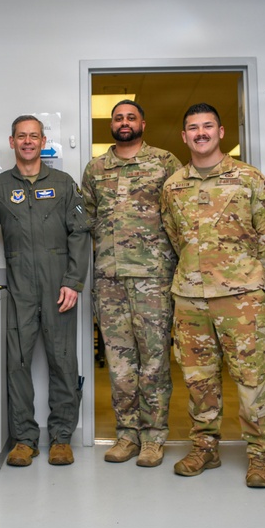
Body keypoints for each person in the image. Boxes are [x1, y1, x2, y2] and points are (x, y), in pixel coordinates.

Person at [160, 103, 265, 488]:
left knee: (251, 379)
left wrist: (250, 279)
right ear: (184, 136)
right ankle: (205, 447)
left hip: (241, 296)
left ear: (221, 131)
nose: (200, 133)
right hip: (190, 296)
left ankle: (260, 456)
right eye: (192, 127)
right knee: (198, 379)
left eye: (207, 126)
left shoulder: (249, 179)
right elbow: (175, 236)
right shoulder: (173, 185)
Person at [0, 115, 90, 467]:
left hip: (59, 287)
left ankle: (62, 438)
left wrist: (73, 281)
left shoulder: (65, 184)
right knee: (17, 364)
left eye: (33, 136)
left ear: (43, 141)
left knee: (63, 362)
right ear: (12, 142)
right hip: (19, 288)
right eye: (21, 136)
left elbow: (80, 234)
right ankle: (24, 439)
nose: (27, 141)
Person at [81, 100, 181, 467]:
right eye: (118, 117)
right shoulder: (95, 169)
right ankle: (126, 435)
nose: (124, 123)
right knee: (120, 363)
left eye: (131, 117)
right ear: (113, 125)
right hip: (109, 280)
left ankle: (154, 437)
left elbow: (178, 215)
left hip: (153, 279)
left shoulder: (165, 162)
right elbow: (85, 219)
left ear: (143, 123)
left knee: (154, 360)